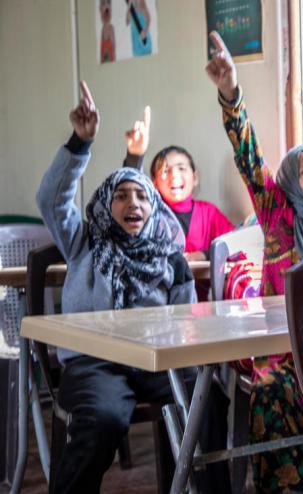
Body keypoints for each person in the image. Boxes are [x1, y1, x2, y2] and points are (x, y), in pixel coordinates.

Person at [36, 81, 230, 494]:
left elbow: (187, 320)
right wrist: (80, 142)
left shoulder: (168, 253)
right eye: (121, 196)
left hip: (157, 359)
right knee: (103, 417)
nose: (133, 204)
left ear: (154, 207)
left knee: (205, 397)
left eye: (141, 195)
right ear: (107, 207)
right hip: (95, 362)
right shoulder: (86, 242)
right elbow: (51, 200)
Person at [206, 31, 303, 492]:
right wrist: (231, 94)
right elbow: (250, 160)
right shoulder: (279, 216)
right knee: (272, 390)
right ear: (289, 186)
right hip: (289, 353)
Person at [122, 106, 235, 301]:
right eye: (165, 170)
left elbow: (236, 245)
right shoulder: (148, 214)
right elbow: (129, 187)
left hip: (199, 312)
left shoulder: (209, 214)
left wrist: (204, 254)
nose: (174, 175)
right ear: (154, 182)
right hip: (153, 309)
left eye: (181, 168)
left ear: (195, 176)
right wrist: (134, 156)